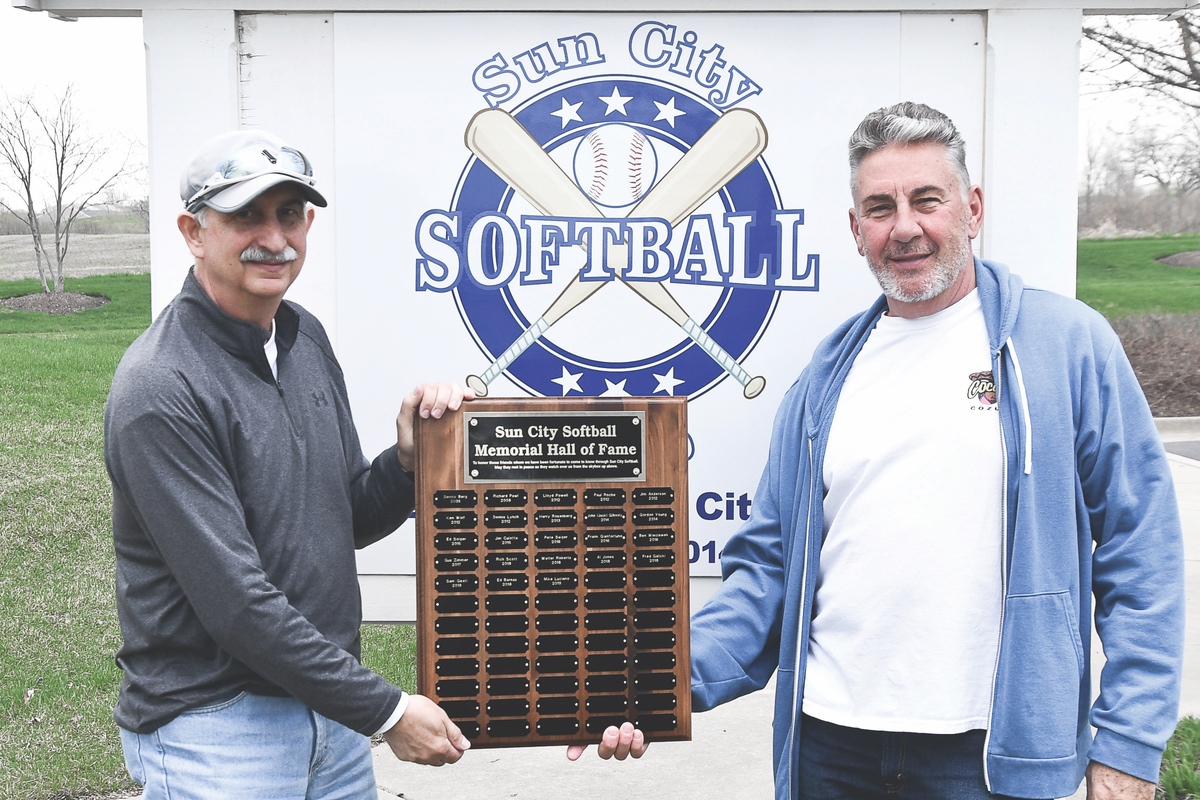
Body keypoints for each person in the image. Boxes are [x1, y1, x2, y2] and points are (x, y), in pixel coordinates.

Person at [579, 102, 1186, 799]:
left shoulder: (1065, 346)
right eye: (879, 207)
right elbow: (768, 568)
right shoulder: (825, 379)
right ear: (855, 229)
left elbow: (1144, 555)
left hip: (989, 755)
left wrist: (1131, 744)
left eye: (926, 200)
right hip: (829, 745)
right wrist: (654, 685)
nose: (904, 227)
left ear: (971, 208)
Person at [104, 129, 472, 799]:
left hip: (326, 720)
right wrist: (387, 712)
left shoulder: (301, 337)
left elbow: (345, 516)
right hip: (215, 730)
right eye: (247, 214)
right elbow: (236, 605)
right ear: (193, 231)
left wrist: (409, 461)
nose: (275, 238)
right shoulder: (161, 388)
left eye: (291, 214)